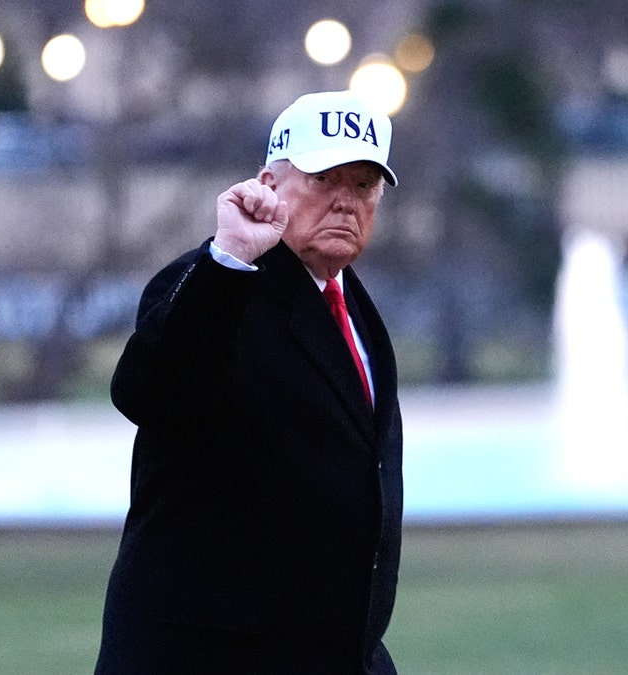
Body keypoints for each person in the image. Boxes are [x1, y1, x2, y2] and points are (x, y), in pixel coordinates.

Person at [95, 90, 404, 674]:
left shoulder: (351, 305)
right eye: (323, 178)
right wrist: (229, 258)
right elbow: (148, 392)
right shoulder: (213, 283)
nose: (346, 202)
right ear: (268, 183)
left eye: (364, 185)